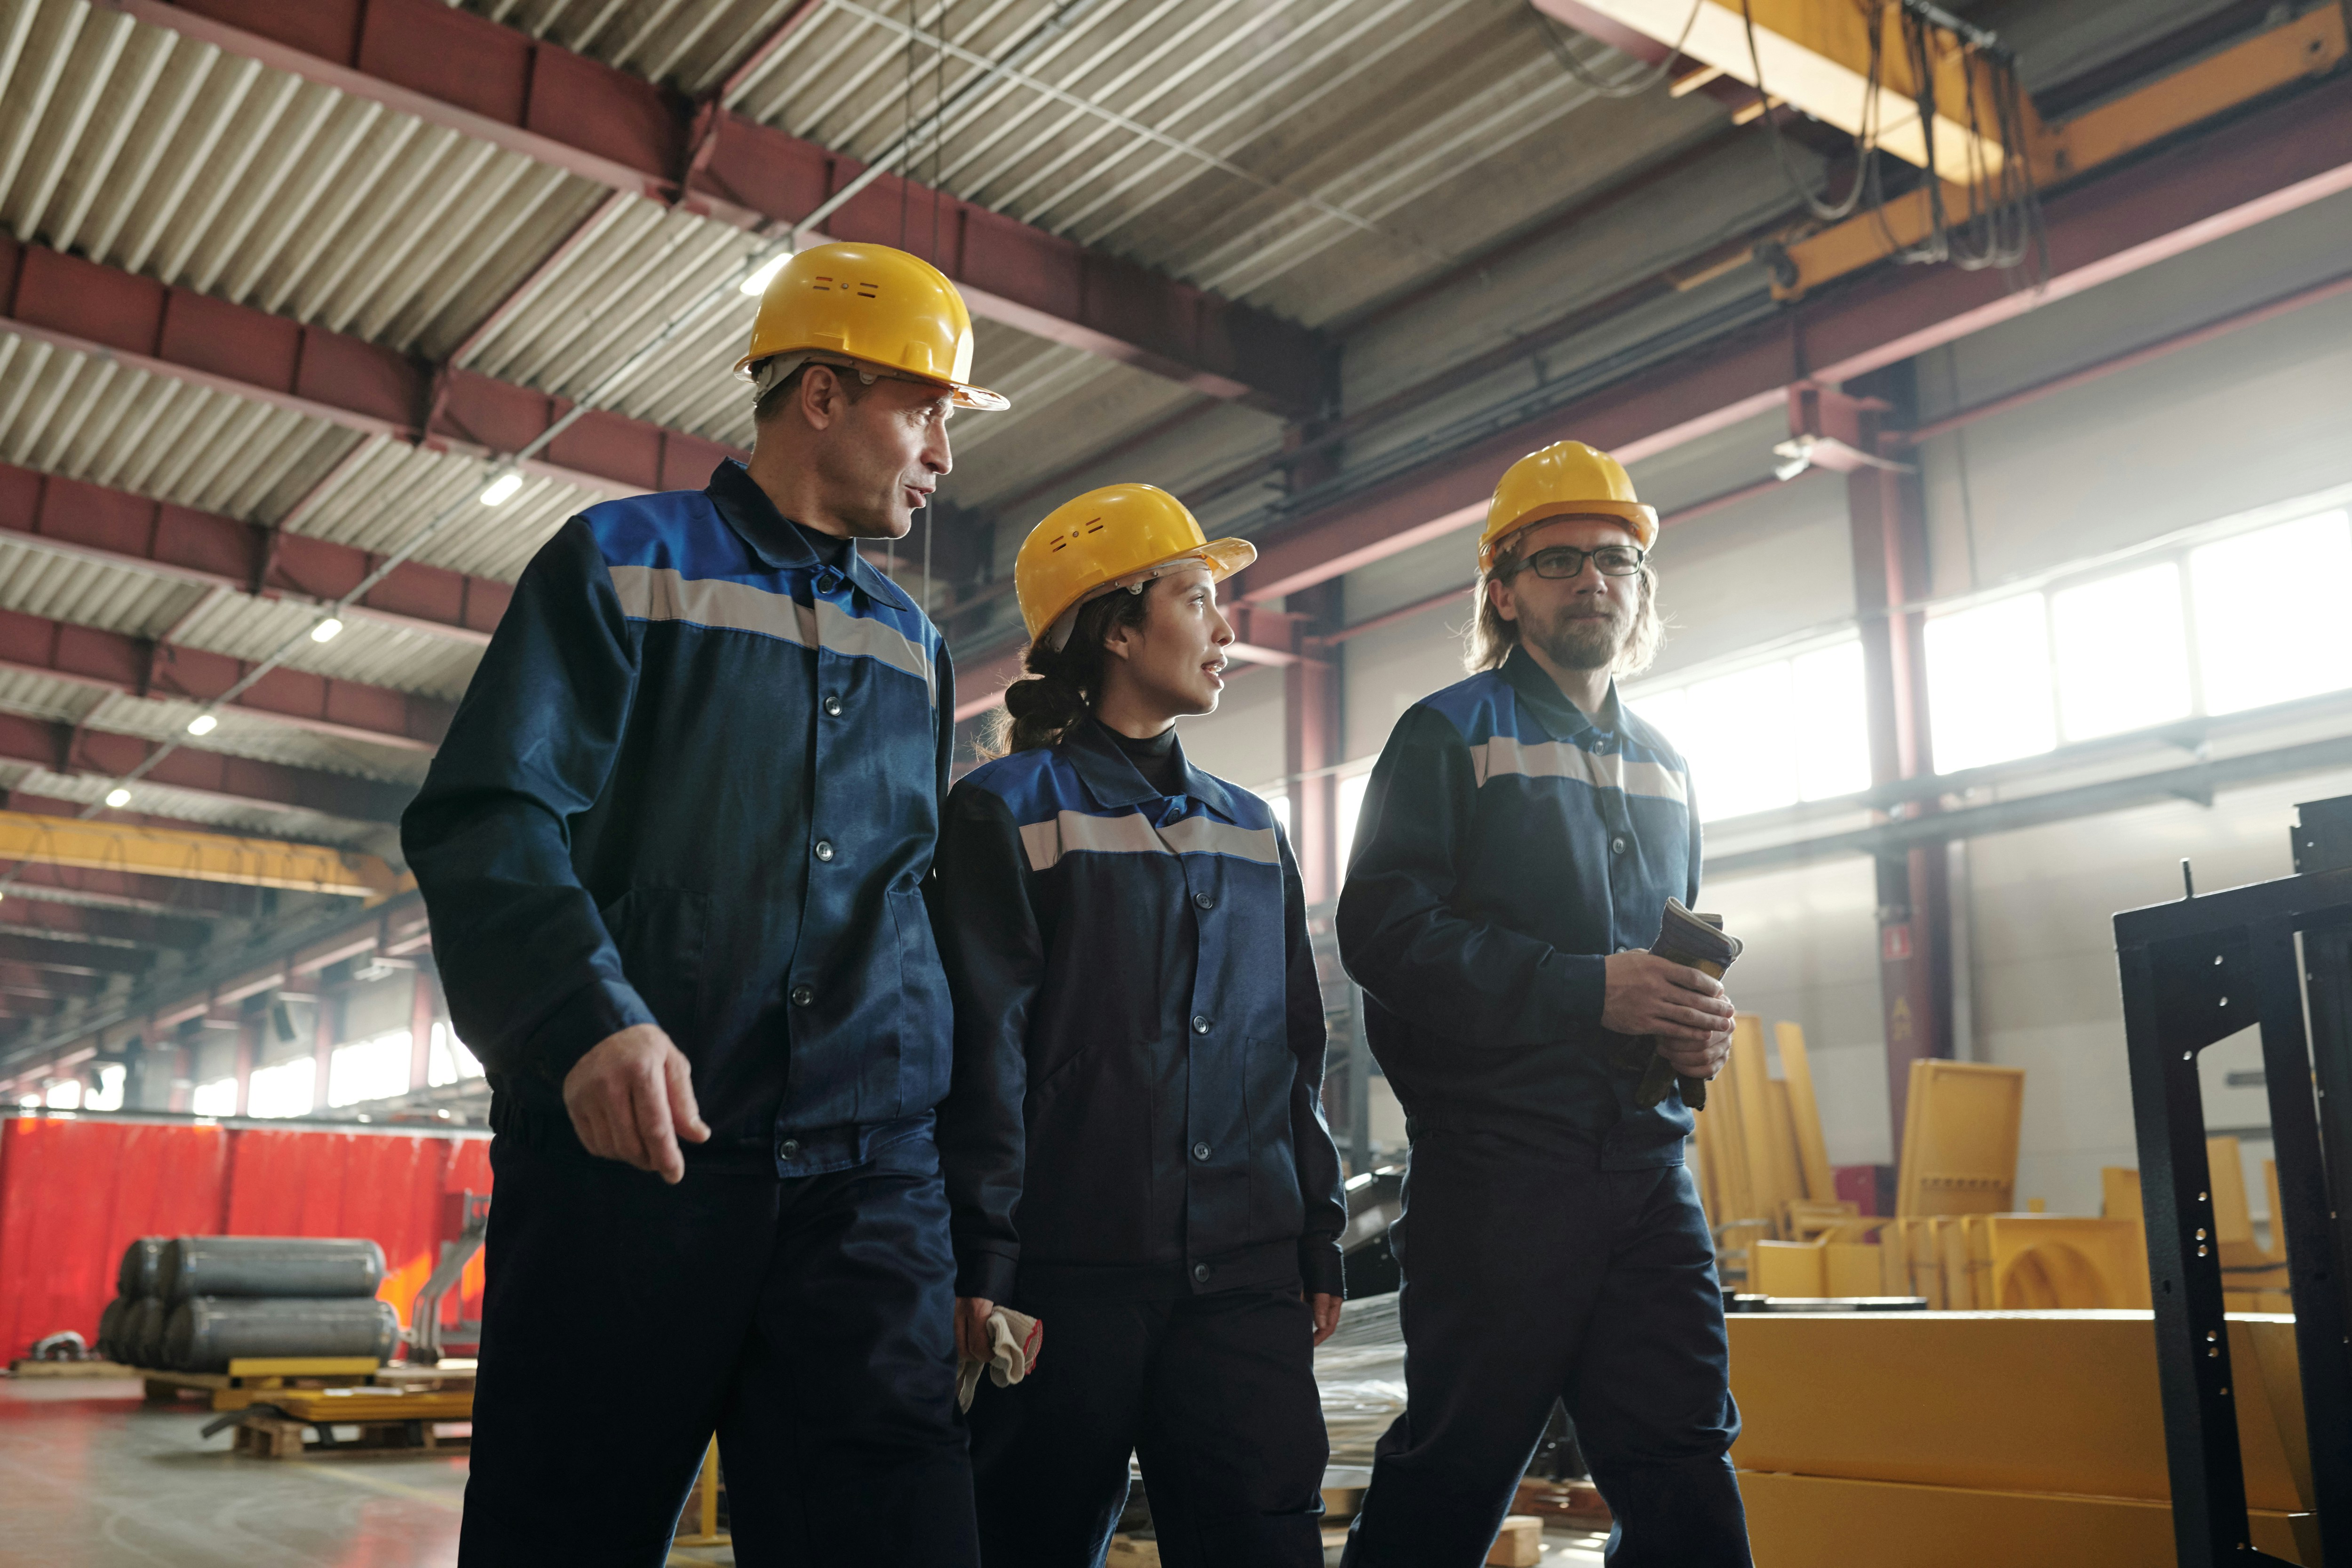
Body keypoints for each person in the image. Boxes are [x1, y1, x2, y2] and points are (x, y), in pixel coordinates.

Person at [400, 241, 1008, 1568]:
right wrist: (586, 1018)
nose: (943, 458)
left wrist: (965, 1202)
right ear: (823, 395)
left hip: (865, 1183)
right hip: (635, 1172)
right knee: (563, 1528)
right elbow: (487, 813)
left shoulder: (912, 641)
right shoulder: (623, 564)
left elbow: (907, 907)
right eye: (926, 410)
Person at [1335, 441, 1748, 1567]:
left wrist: (1687, 1025)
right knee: (1461, 1464)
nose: (1592, 580)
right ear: (1502, 590)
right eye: (1557, 559)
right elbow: (1382, 933)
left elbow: (1665, 959)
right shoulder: (1448, 734)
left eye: (1615, 560)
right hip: (1499, 1175)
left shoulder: (1667, 764)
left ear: (1641, 589)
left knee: (1684, 1463)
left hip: (1647, 1171)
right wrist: (1587, 988)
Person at [930, 484, 1348, 1568]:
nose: (1225, 629)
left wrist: (1316, 1230)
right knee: (1026, 1540)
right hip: (1072, 1282)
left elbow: (1293, 1050)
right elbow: (985, 1050)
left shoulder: (1251, 827)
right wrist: (986, 1260)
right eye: (1198, 599)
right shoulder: (1009, 811)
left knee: (1264, 1541)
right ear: (1118, 627)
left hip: (1245, 1276)